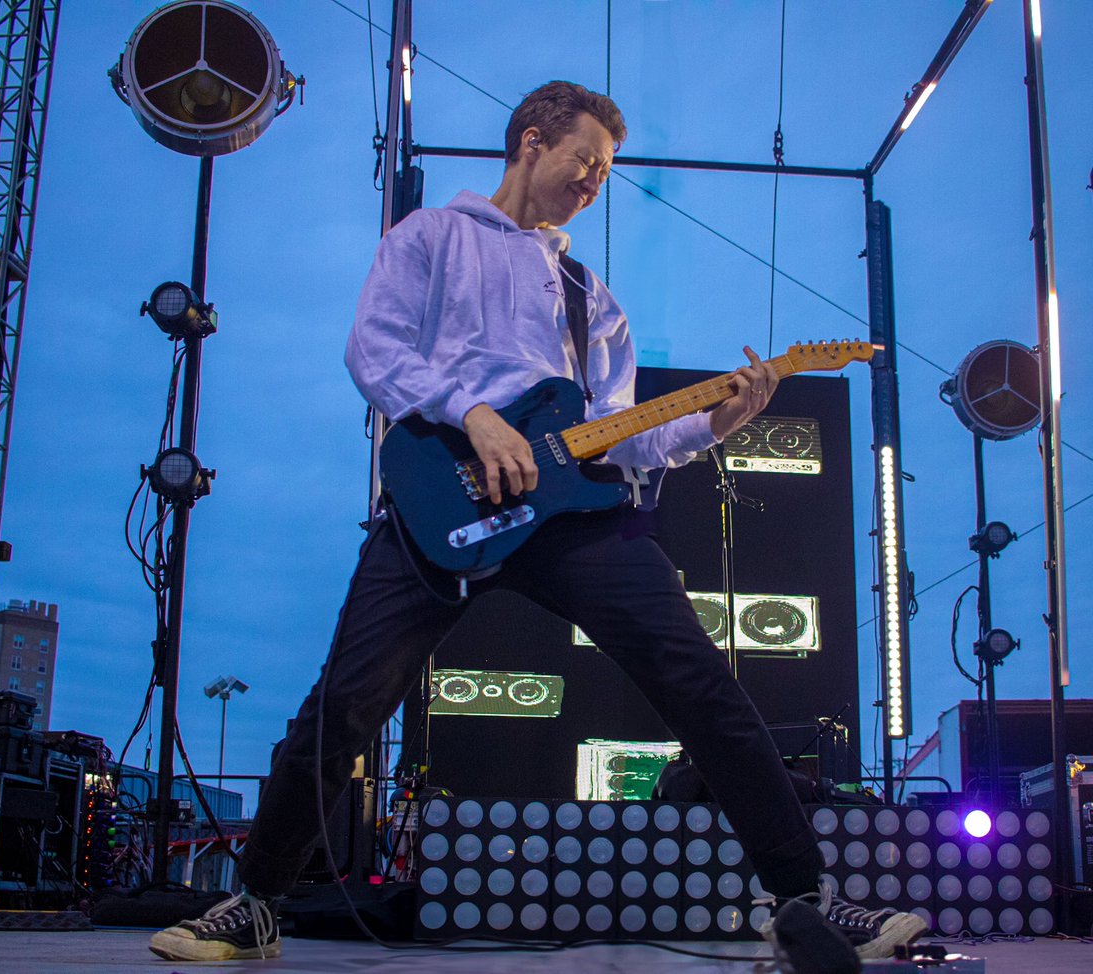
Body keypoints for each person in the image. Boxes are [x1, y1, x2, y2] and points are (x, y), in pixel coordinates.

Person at [149, 81, 927, 964]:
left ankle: (805, 903)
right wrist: (473, 414)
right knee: (343, 706)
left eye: (606, 172)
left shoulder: (590, 295)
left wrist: (718, 422)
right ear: (530, 142)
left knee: (701, 685)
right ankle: (255, 905)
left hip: (571, 515)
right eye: (584, 160)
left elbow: (622, 433)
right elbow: (374, 349)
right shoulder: (431, 236)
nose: (594, 181)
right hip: (441, 502)